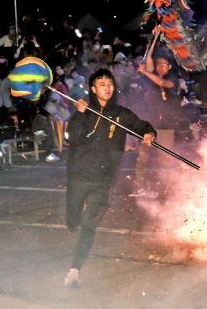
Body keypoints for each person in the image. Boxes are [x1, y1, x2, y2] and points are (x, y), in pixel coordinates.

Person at [63, 68, 156, 287]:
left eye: (110, 83)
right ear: (93, 89)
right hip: (78, 175)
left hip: (103, 180)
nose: (107, 87)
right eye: (102, 84)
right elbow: (73, 139)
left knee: (89, 225)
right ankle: (72, 220)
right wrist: (79, 114)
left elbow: (140, 125)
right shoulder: (84, 110)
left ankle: (74, 270)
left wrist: (149, 133)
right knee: (73, 219)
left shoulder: (120, 113)